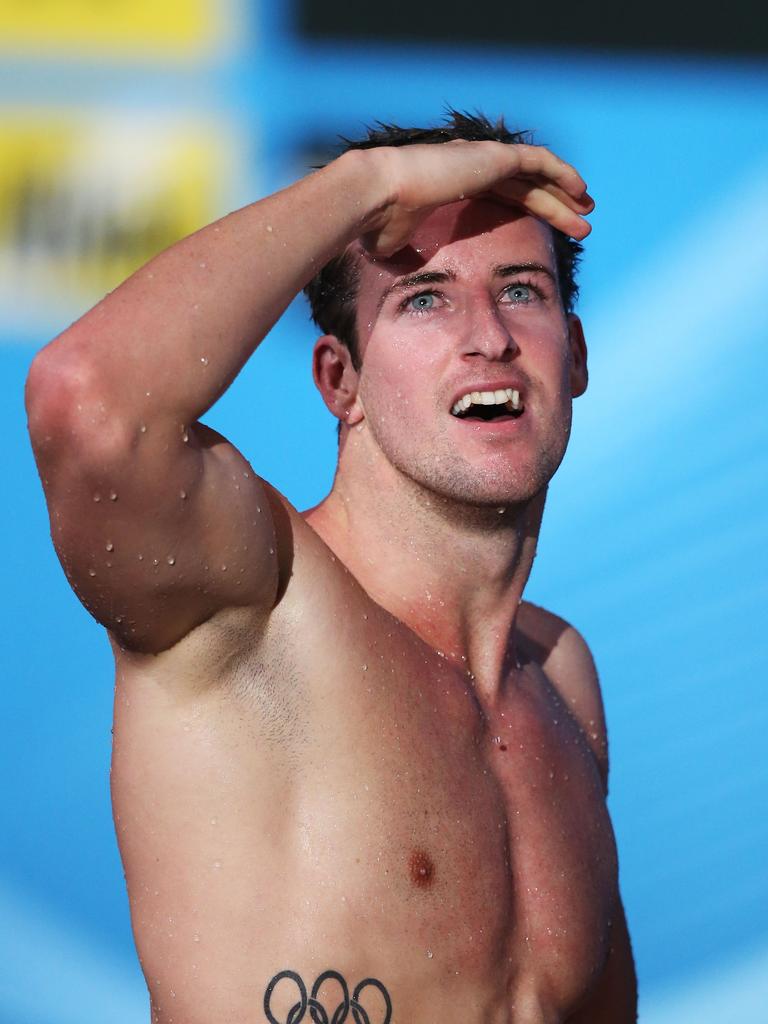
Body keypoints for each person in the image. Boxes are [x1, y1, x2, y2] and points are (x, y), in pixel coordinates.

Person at [26, 111, 637, 1023]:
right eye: (424, 297)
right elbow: (87, 407)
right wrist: (371, 186)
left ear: (575, 354)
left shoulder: (558, 677)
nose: (489, 337)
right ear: (338, 382)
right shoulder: (254, 601)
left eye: (521, 291)